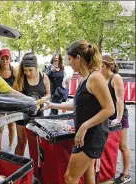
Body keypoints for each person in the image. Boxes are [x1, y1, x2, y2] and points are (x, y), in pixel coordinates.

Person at [44, 40, 114, 184]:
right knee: (88, 177)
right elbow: (77, 105)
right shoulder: (84, 79)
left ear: (78, 58)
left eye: (70, 59)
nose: (69, 63)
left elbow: (109, 109)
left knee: (70, 178)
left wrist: (84, 126)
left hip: (92, 135)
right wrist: (52, 105)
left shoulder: (95, 77)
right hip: (85, 134)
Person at [13, 52, 51, 156]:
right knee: (22, 142)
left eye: (30, 70)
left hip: (38, 116)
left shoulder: (44, 77)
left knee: (36, 144)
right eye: (25, 70)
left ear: (36, 67)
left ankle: (35, 169)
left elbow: (48, 94)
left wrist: (43, 99)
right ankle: (17, 166)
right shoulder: (20, 78)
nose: (28, 73)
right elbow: (14, 95)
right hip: (22, 116)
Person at [101, 55, 131, 184]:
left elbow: (120, 100)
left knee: (122, 146)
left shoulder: (116, 77)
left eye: (101, 66)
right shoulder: (102, 78)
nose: (98, 68)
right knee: (108, 145)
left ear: (108, 66)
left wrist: (118, 118)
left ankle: (125, 174)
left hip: (119, 115)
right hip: (108, 115)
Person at [0, 49, 18, 152]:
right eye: (2, 58)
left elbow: (18, 86)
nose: (5, 61)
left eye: (7, 58)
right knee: (1, 125)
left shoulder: (14, 71)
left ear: (10, 59)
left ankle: (10, 147)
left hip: (12, 102)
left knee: (12, 125)